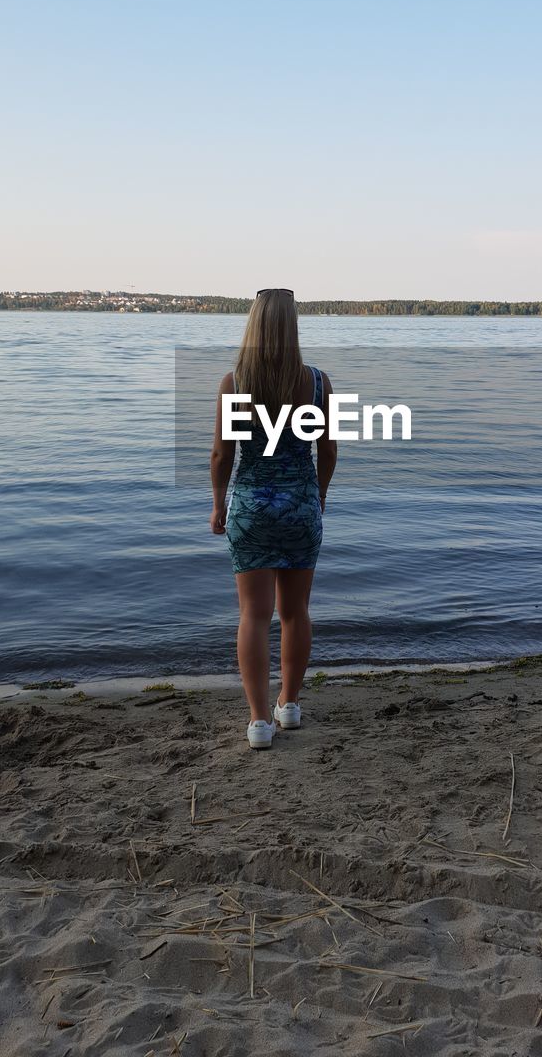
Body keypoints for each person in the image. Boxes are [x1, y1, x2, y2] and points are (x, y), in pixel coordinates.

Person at [210, 288, 336, 749]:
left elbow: (223, 453)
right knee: (296, 612)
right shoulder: (319, 384)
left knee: (254, 616)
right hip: (300, 504)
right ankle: (289, 704)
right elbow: (328, 449)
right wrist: (317, 496)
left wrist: (218, 503)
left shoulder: (234, 383)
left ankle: (260, 721)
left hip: (251, 505)